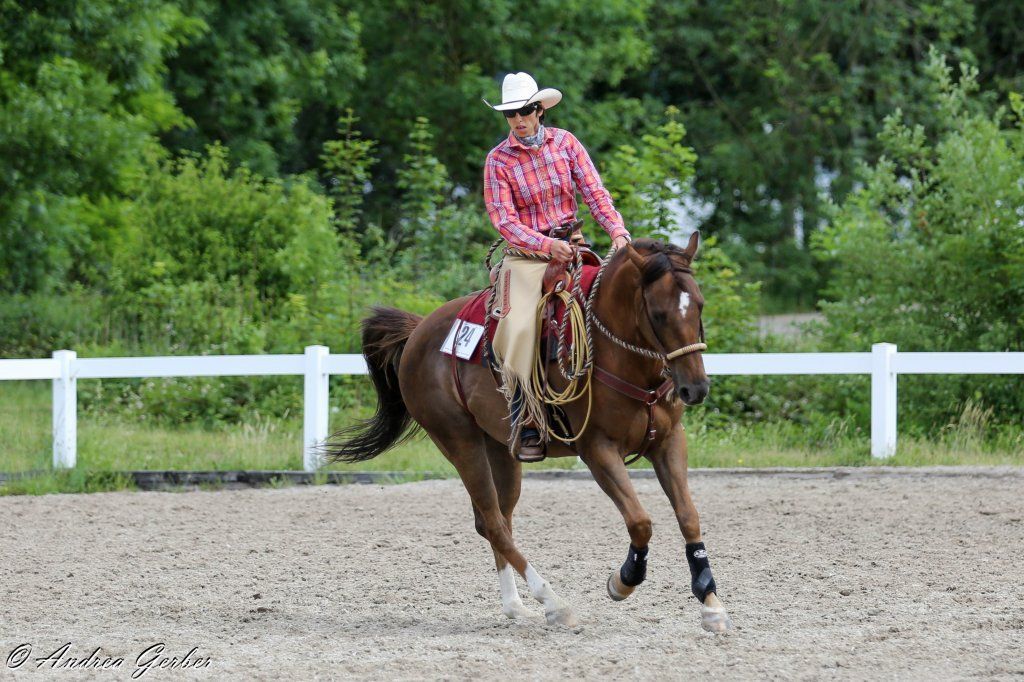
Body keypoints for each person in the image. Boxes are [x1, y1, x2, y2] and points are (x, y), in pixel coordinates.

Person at [483, 72, 631, 461]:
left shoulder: (566, 143)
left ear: (539, 110)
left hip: (575, 246)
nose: (518, 119)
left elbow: (594, 191)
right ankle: (526, 418)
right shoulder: (498, 160)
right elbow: (504, 220)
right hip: (527, 257)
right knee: (515, 329)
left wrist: (617, 232)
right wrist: (547, 245)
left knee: (624, 300)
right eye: (511, 114)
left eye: (524, 111)